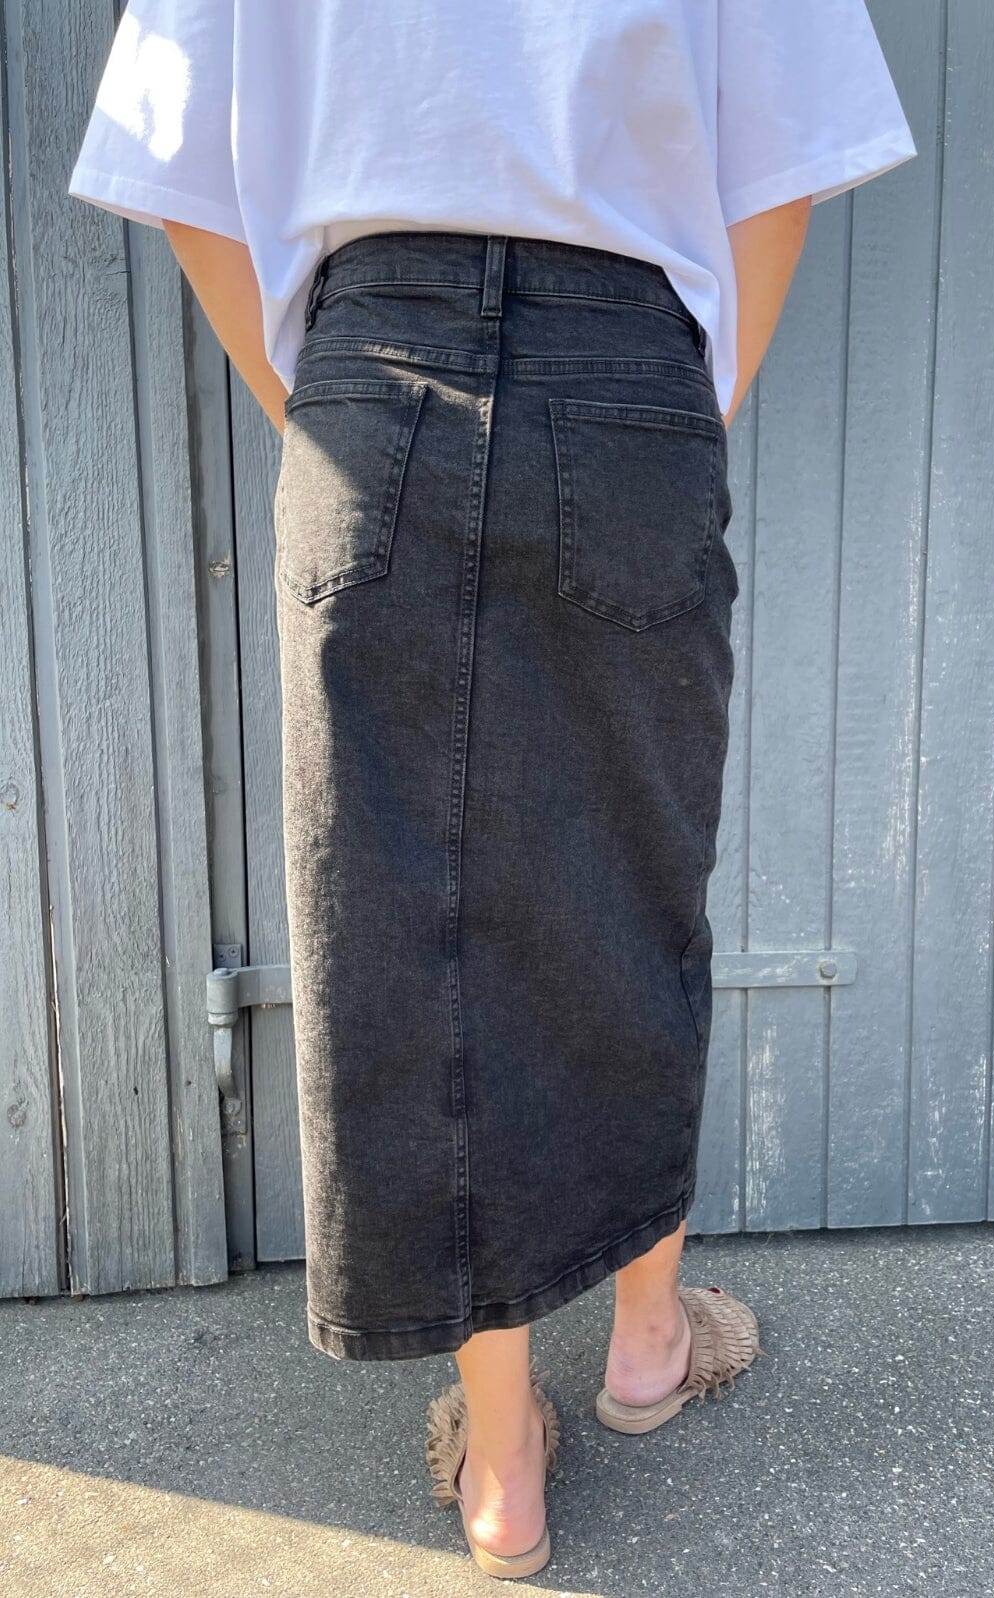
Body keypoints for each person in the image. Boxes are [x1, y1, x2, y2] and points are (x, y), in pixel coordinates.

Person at [69, 0, 916, 1579]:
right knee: (631, 880)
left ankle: (502, 1455)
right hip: (626, 371)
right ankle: (648, 1340)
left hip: (367, 373)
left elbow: (179, 173)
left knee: (406, 916)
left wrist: (323, 405)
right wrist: (677, 410)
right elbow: (783, 164)